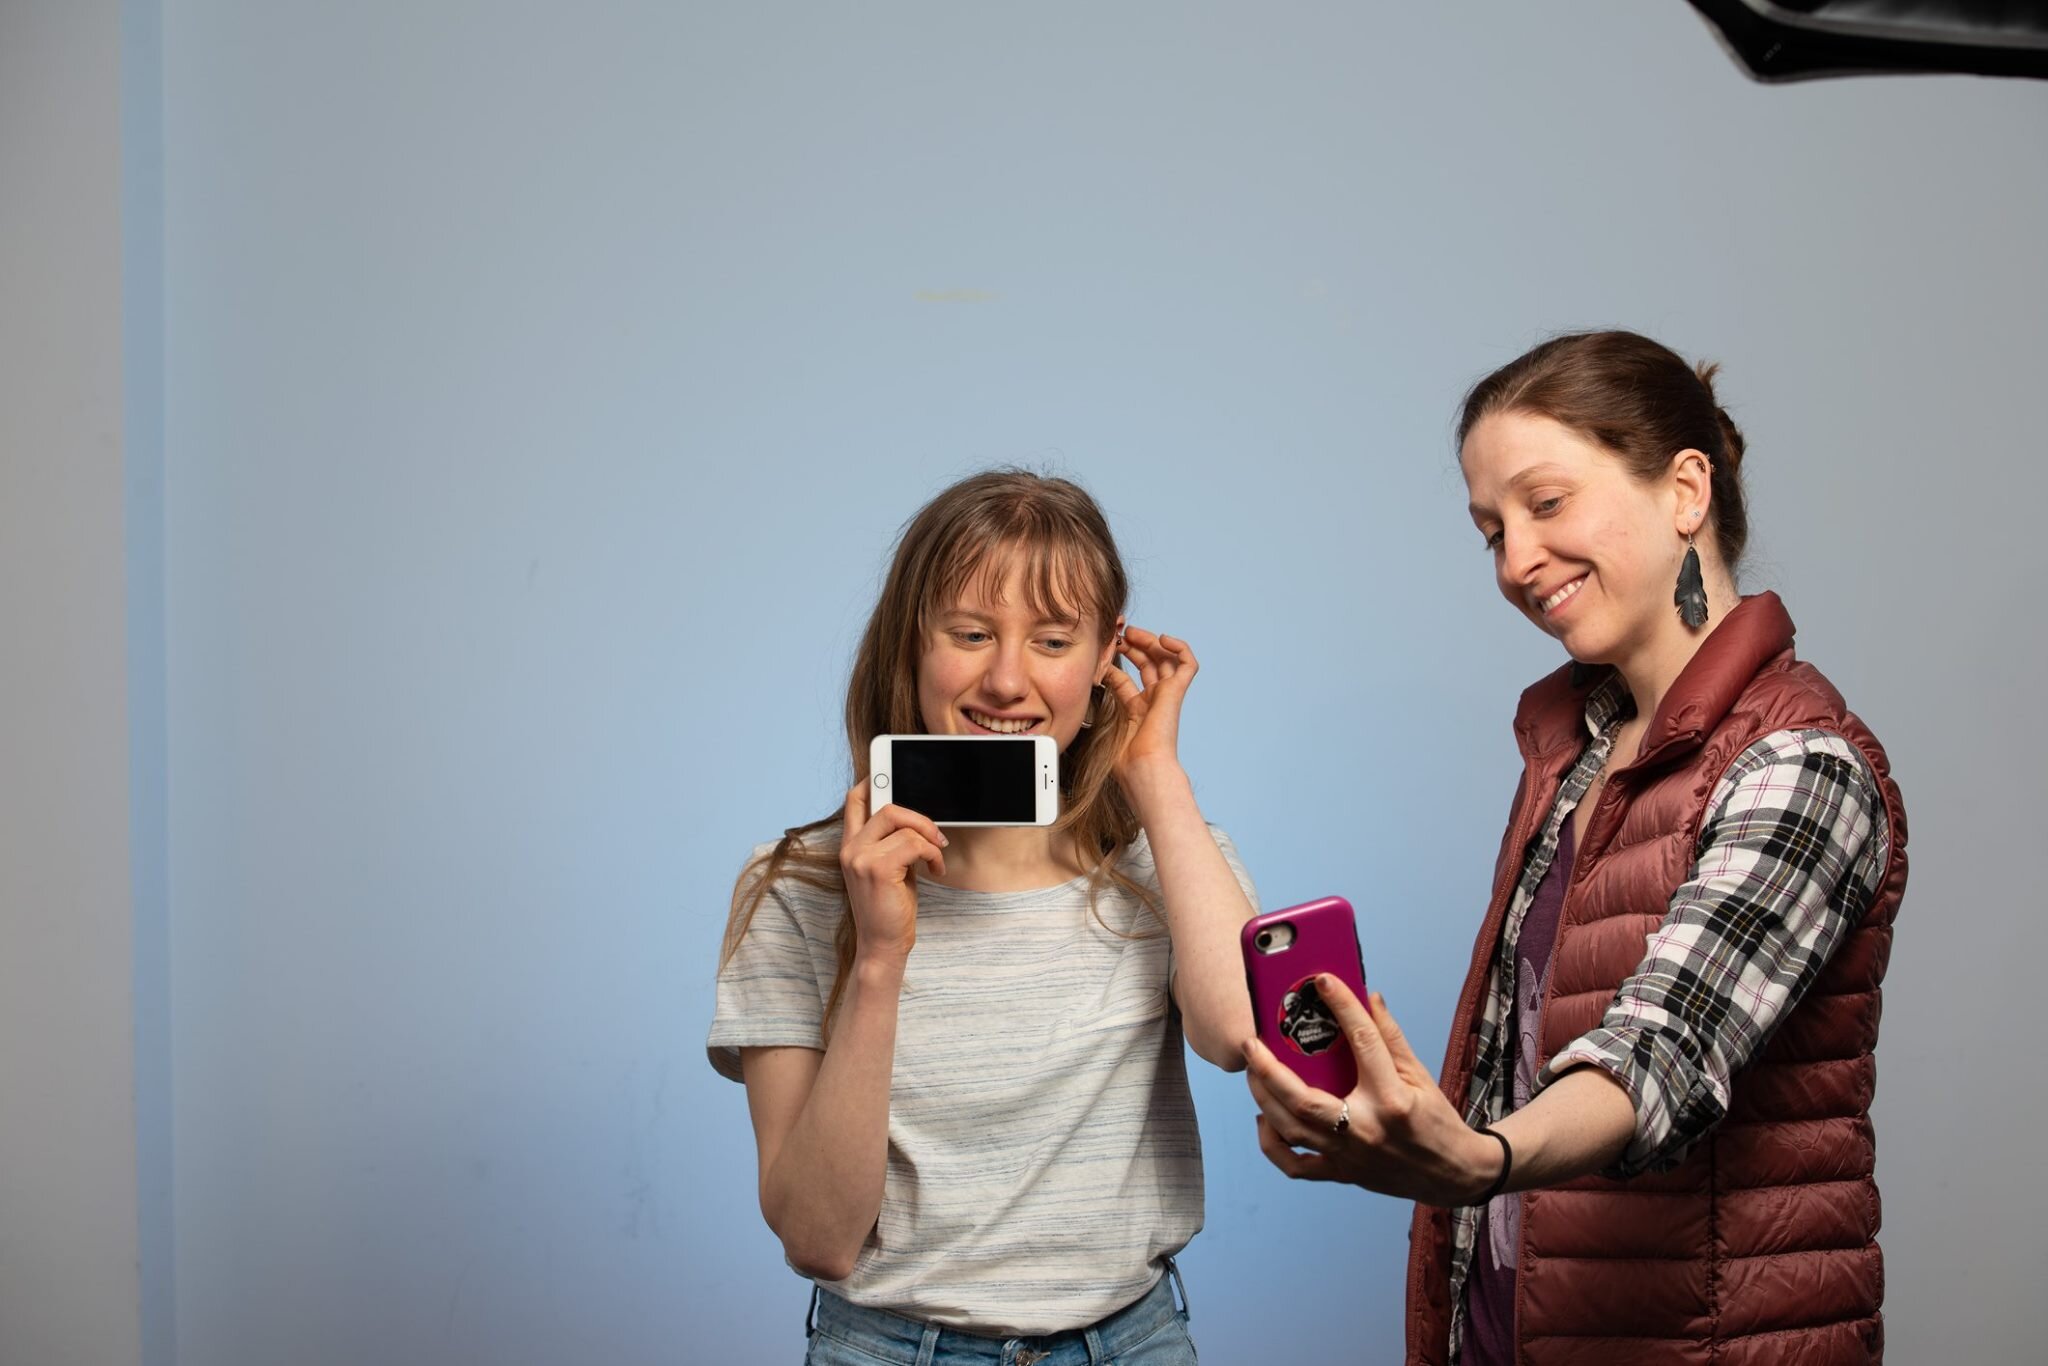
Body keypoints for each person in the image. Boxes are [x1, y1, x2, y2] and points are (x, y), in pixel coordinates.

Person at [1242, 331, 1907, 1364]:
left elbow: (1660, 1053)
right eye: (1488, 530)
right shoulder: (1576, 750)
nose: (1513, 561)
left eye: (1544, 504)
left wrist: (1478, 1154)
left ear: (1684, 489)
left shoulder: (1797, 766)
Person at [709, 469, 1260, 1365]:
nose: (1008, 680)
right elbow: (817, 1238)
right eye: (970, 634)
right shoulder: (798, 889)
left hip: (1133, 1344)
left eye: (1053, 640)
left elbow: (1241, 1037)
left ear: (1103, 661)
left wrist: (1156, 776)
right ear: (911, 648)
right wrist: (880, 958)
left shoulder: (1169, 857)